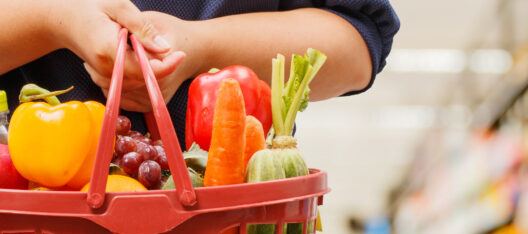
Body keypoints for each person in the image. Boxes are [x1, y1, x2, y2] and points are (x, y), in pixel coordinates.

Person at [0, 0, 400, 147]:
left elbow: (359, 44)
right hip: (38, 210)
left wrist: (201, 46)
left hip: (236, 212)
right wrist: (55, 19)